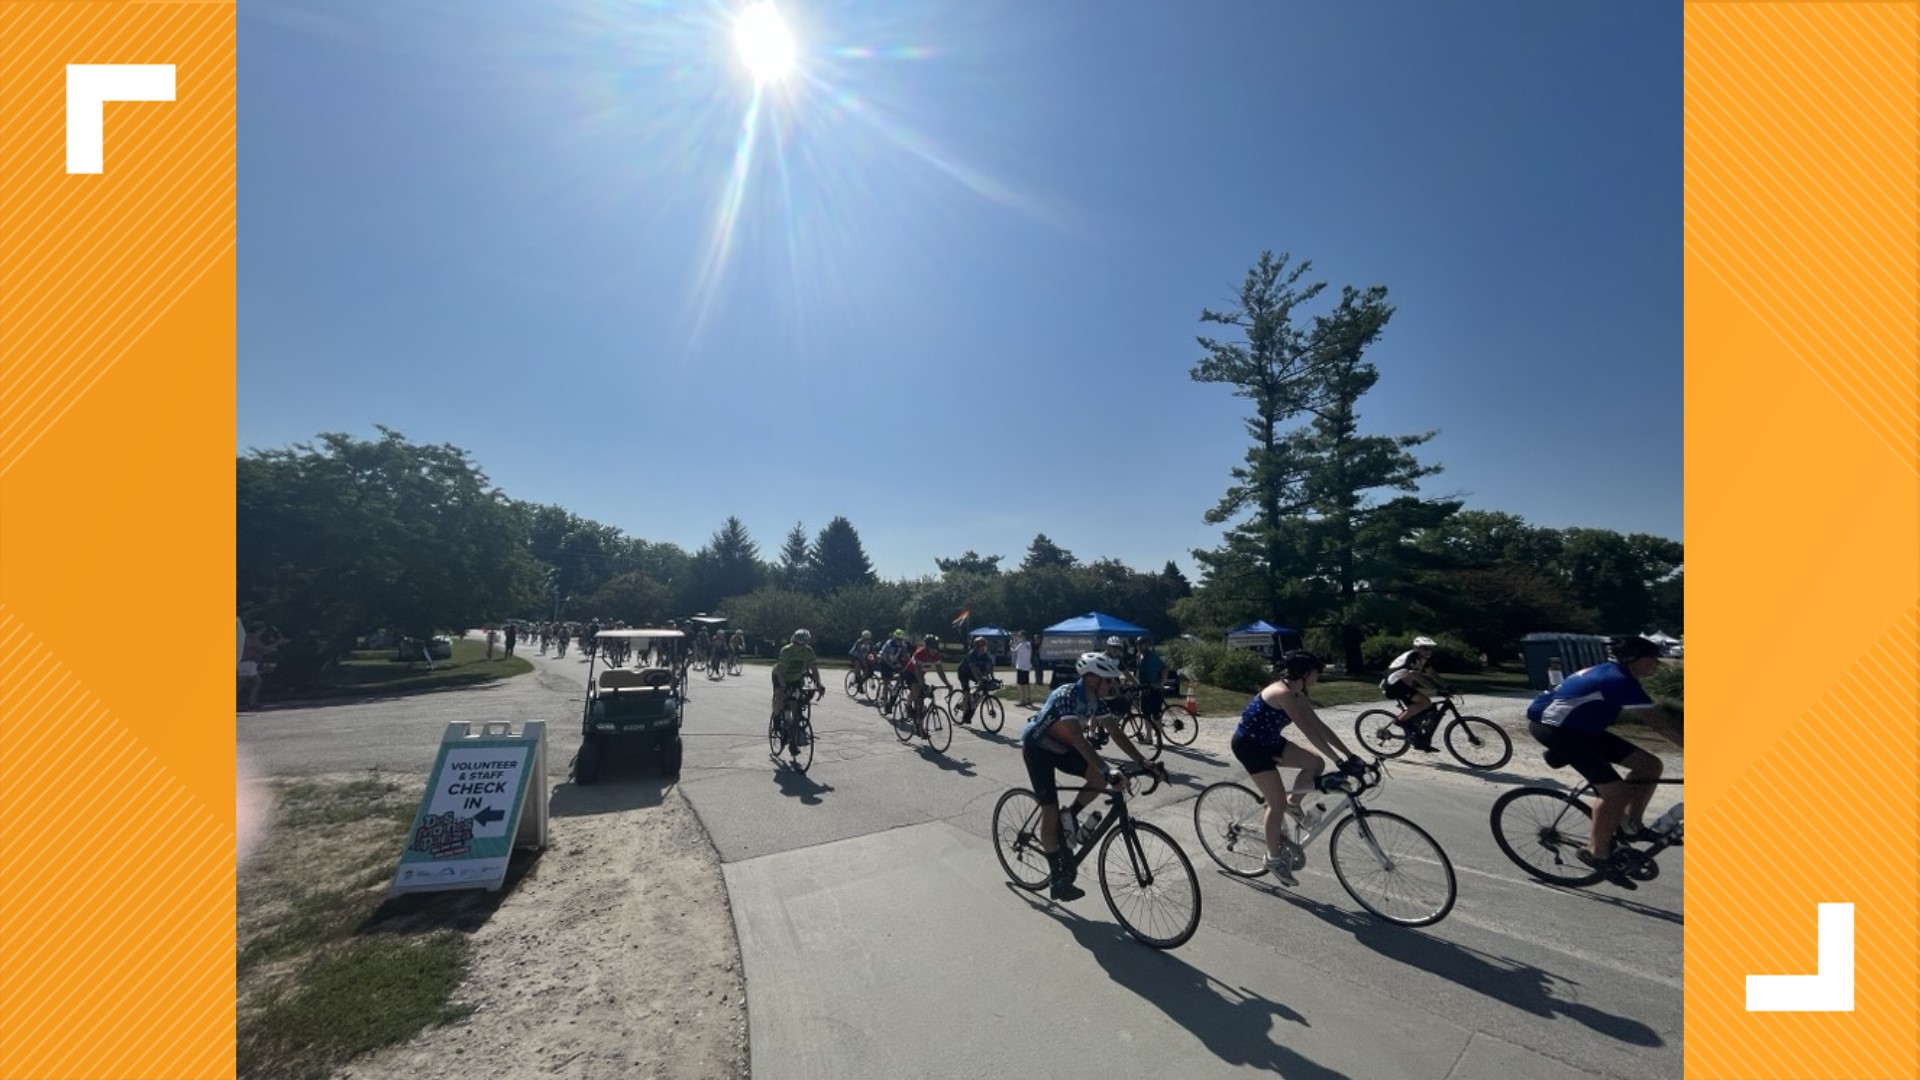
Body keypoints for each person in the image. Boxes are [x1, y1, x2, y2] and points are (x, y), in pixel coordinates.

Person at [1527, 635, 1685, 890]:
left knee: (1649, 765)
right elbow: (1659, 724)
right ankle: (1596, 853)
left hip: (1583, 729)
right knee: (1615, 792)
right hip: (1556, 730)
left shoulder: (1619, 675)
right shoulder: (1616, 680)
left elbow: (1661, 720)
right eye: (1652, 659)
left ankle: (1631, 825)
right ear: (1632, 659)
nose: (1657, 664)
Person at [1018, 652, 1167, 901]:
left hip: (1062, 748)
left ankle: (1069, 816)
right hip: (1038, 749)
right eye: (1109, 680)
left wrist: (1144, 762)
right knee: (1050, 809)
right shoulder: (1066, 696)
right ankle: (1057, 878)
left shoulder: (1097, 701)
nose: (1113, 684)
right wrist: (1107, 770)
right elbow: (1079, 740)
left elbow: (1117, 734)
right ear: (1091, 679)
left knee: (1097, 780)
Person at [1231, 650, 1368, 886]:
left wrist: (1350, 755)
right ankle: (1273, 859)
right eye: (1317, 673)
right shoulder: (1283, 693)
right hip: (1249, 746)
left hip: (1270, 742)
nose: (1319, 677)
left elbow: (1319, 725)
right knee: (1276, 804)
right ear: (1304, 674)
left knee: (1315, 763)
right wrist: (1339, 762)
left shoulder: (1297, 693)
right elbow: (1309, 732)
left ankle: (1294, 805)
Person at [1382, 636, 1445, 752]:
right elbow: (1416, 676)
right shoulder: (1411, 658)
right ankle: (1400, 721)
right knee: (1425, 701)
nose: (1429, 651)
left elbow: (1432, 673)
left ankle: (1418, 740)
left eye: (1430, 649)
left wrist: (1447, 686)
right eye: (1425, 648)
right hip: (1393, 685)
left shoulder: (1423, 658)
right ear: (1417, 648)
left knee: (1424, 706)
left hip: (1403, 683)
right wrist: (1435, 690)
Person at [771, 629, 825, 756]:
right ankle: (777, 718)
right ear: (793, 641)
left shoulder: (808, 652)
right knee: (780, 696)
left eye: (801, 645)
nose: (798, 647)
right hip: (780, 676)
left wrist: (819, 684)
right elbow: (781, 671)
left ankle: (793, 742)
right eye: (796, 644)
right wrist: (784, 687)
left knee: (795, 706)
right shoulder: (786, 651)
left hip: (796, 678)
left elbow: (813, 668)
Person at [904, 634, 952, 736]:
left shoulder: (936, 655)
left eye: (935, 647)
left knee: (921, 699)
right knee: (916, 689)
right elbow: (917, 670)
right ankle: (908, 706)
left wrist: (947, 683)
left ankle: (919, 723)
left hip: (920, 675)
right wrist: (922, 684)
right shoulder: (920, 653)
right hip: (910, 673)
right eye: (932, 647)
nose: (934, 650)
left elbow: (940, 671)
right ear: (927, 646)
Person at [238, 625, 281, 711]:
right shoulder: (251, 639)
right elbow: (264, 648)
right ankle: (252, 702)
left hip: (249, 664)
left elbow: (262, 650)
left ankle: (252, 702)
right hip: (247, 663)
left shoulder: (249, 638)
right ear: (257, 630)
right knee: (253, 682)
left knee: (246, 683)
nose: (261, 633)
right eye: (261, 631)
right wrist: (278, 643)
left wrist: (272, 648)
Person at [956, 636, 996, 725]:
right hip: (963, 672)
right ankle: (964, 714)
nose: (984, 649)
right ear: (977, 647)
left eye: (985, 647)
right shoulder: (972, 654)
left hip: (971, 673)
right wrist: (979, 680)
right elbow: (973, 668)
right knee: (967, 693)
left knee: (982, 685)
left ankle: (971, 699)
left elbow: (990, 666)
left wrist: (992, 678)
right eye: (983, 647)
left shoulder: (985, 655)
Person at [1011, 630, 1035, 707]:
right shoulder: (1028, 644)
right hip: (1027, 666)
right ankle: (1028, 699)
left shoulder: (1021, 645)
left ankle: (1022, 700)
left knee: (1021, 684)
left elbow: (1014, 650)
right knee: (1026, 683)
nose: (1019, 637)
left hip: (1021, 666)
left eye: (1019, 636)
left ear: (1023, 636)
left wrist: (1011, 645)